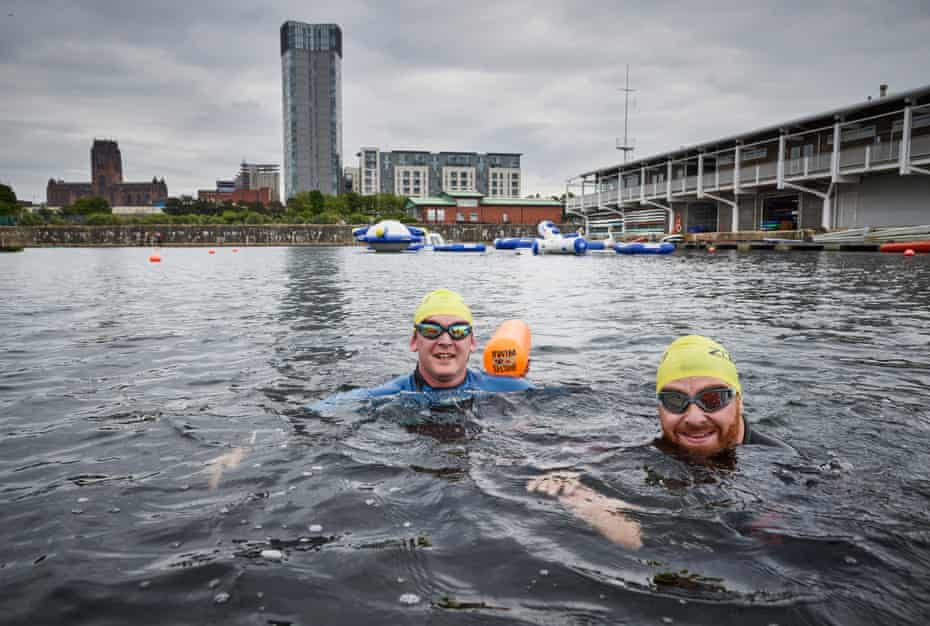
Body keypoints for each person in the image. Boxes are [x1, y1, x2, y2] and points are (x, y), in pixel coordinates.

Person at [527, 334, 791, 548]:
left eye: (713, 399)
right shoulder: (655, 445)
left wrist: (605, 516)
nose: (694, 417)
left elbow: (742, 556)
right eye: (675, 401)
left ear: (739, 401)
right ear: (659, 410)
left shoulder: (785, 471)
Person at [312, 289, 531, 409]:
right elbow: (315, 414)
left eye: (458, 331)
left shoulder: (511, 389)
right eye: (431, 329)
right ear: (414, 341)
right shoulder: (389, 395)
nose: (445, 340)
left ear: (472, 342)